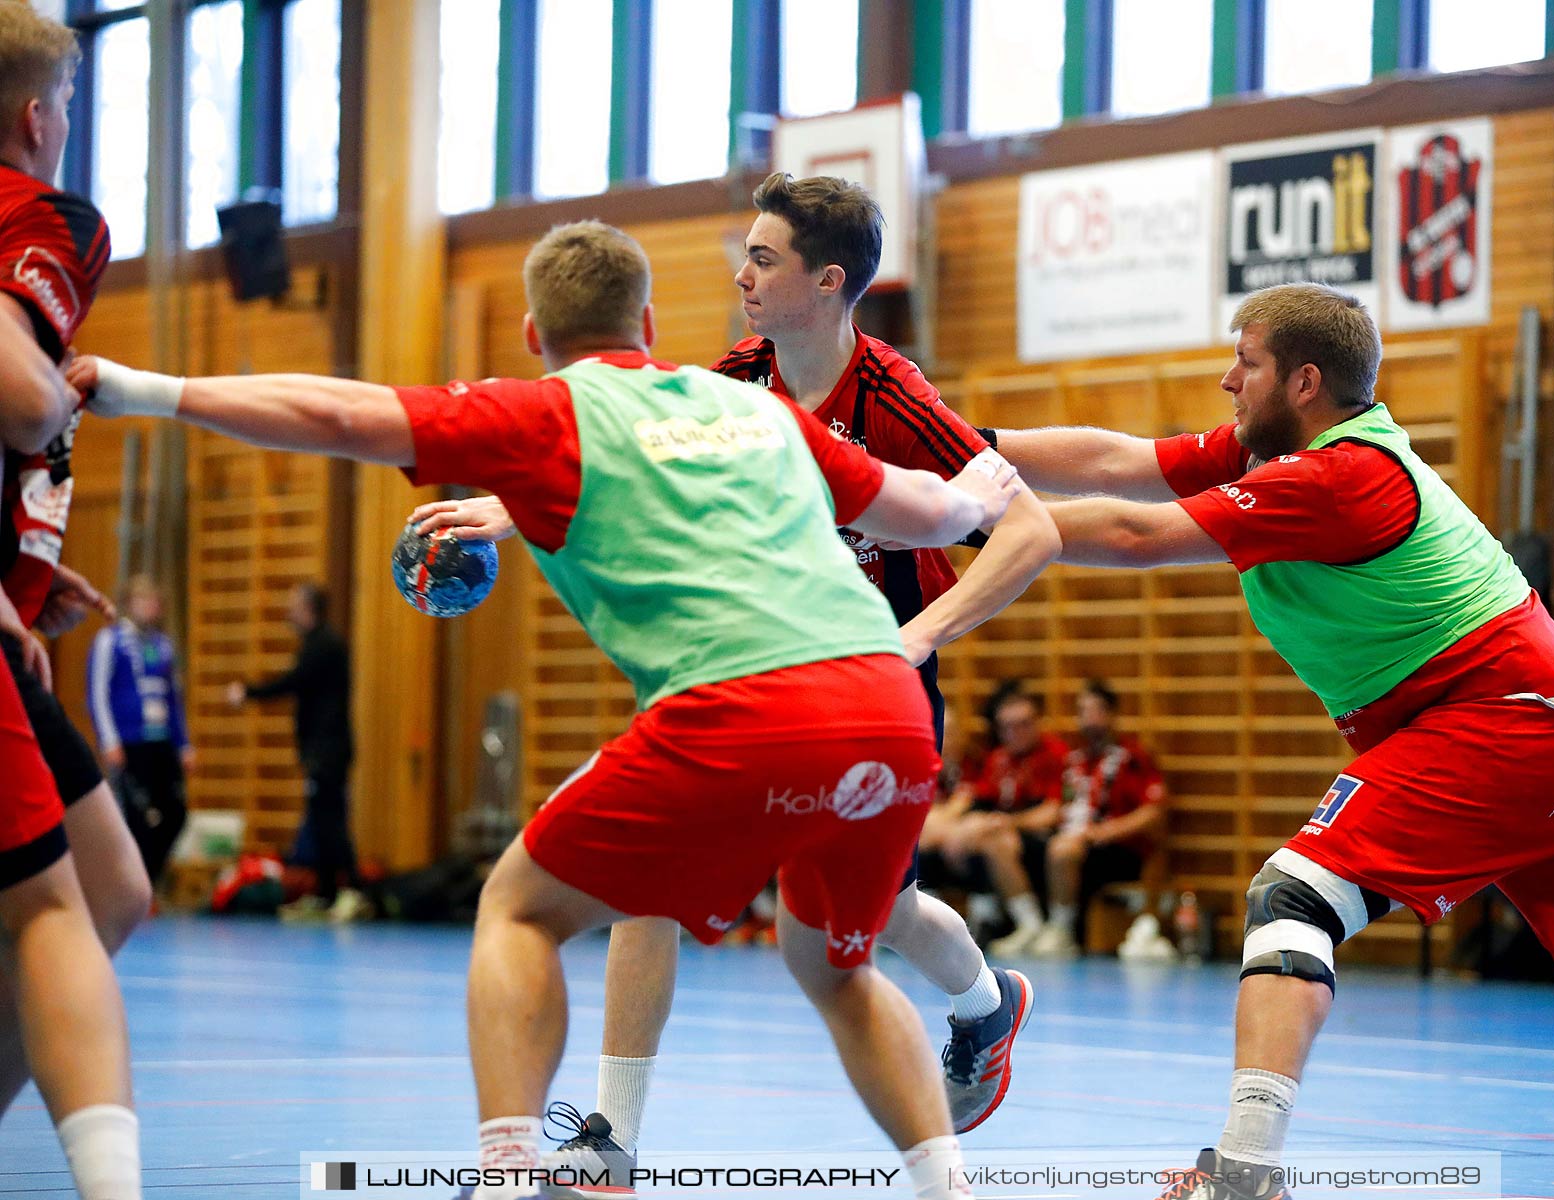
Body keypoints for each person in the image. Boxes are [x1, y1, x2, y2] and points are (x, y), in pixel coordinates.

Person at [73, 218, 1026, 1200]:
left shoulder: (539, 413)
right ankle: (945, 1189)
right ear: (649, 321)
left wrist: (147, 390)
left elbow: (336, 415)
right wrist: (974, 494)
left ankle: (508, 1177)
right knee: (837, 968)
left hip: (744, 709)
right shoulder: (755, 412)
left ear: (533, 333)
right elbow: (923, 510)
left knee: (518, 907)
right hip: (887, 701)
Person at [987, 281, 1554, 1197]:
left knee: (1293, 901)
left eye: (1243, 364)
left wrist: (943, 516)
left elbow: (1135, 531)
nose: (1225, 381)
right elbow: (1116, 460)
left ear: (1302, 381)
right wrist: (972, 450)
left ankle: (1244, 1172)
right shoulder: (1304, 446)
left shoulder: (1335, 477)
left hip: (1506, 722)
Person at [417, 173, 1056, 1143]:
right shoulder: (734, 381)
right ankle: (611, 1140)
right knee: (646, 879)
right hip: (752, 671)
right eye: (743, 255)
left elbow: (1029, 530)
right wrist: (510, 512)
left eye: (763, 258)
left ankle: (985, 1002)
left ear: (829, 281)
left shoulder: (889, 396)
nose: (742, 275)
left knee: (885, 917)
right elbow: (621, 447)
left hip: (873, 679)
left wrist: (919, 634)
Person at [0, 3, 143, 1195]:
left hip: (11, 625)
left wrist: (24, 576)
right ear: (39, 117)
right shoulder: (44, 216)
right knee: (55, 903)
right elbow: (16, 395)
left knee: (110, 889)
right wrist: (53, 399)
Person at [226, 582, 364, 921]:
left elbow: (293, 682)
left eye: (294, 605)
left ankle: (352, 891)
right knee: (320, 821)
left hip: (328, 750)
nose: (290, 612)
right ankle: (327, 893)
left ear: (308, 609)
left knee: (330, 822)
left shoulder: (324, 646)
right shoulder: (315, 644)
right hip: (320, 749)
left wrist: (249, 692)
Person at [1025, 679, 1165, 958]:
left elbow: (1153, 812)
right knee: (1023, 847)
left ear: (1111, 714)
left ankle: (1062, 930)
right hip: (1072, 842)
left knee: (1062, 849)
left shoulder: (1132, 757)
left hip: (1115, 850)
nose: (1087, 719)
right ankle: (1027, 925)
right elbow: (1057, 804)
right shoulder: (1074, 759)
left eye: (1095, 711)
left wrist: (1104, 832)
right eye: (1082, 711)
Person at [924, 688, 1066, 957]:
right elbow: (978, 803)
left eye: (1023, 724)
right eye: (1008, 727)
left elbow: (1052, 812)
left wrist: (1005, 823)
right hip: (1001, 832)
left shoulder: (1053, 754)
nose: (1016, 733)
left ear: (1037, 722)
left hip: (1040, 837)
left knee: (993, 840)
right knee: (966, 836)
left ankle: (1031, 924)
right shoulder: (999, 759)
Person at [87, 574, 194, 883]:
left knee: (175, 813)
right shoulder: (111, 641)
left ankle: (147, 878)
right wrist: (109, 740)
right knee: (134, 816)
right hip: (128, 741)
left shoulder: (163, 646)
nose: (150, 607)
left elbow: (174, 699)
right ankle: (131, 883)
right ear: (129, 603)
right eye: (143, 600)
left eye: (154, 601)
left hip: (160, 742)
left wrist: (184, 744)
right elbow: (97, 694)